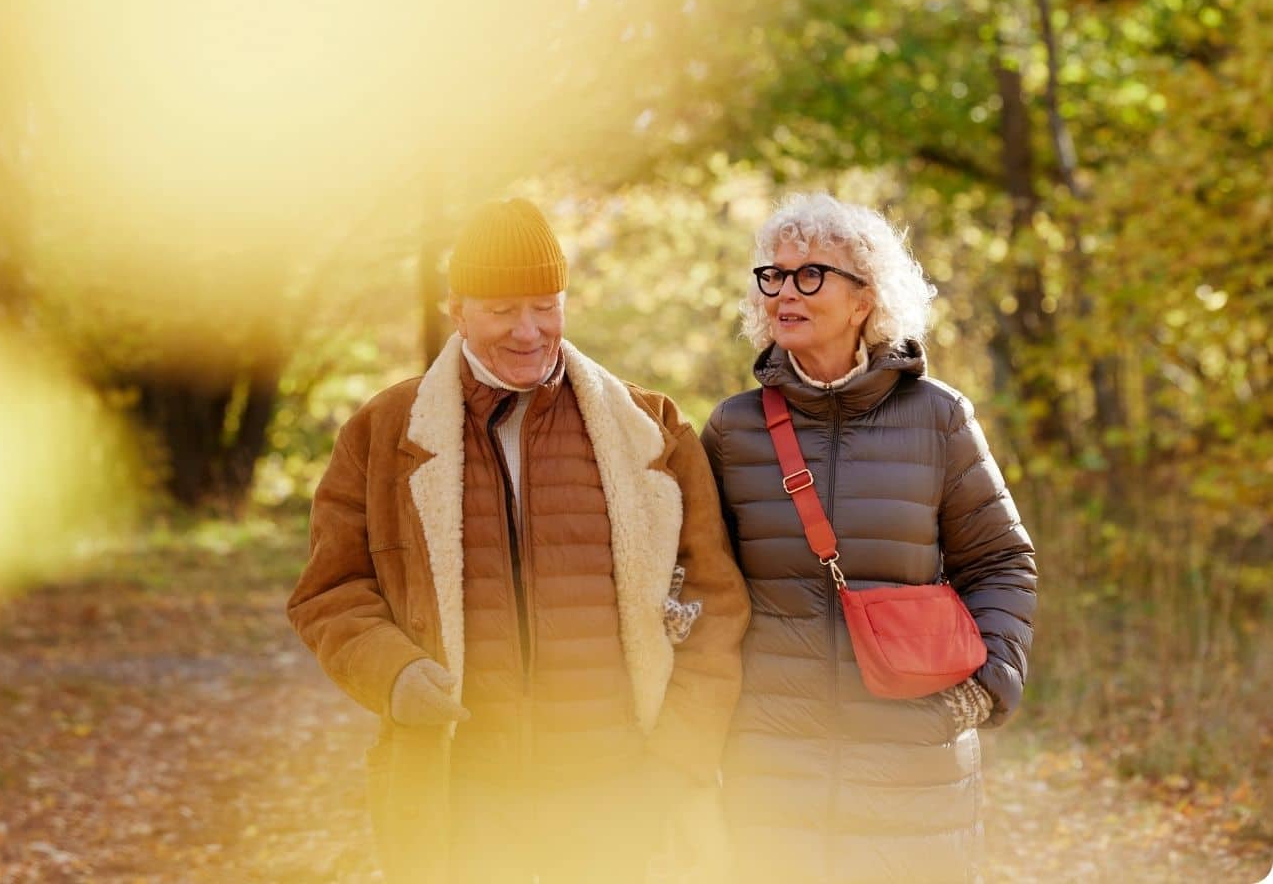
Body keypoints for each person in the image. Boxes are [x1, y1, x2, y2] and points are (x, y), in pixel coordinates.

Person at [288, 198, 750, 883]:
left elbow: (715, 602)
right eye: (502, 309)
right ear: (458, 309)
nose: (528, 330)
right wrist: (395, 673)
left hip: (617, 794)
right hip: (463, 795)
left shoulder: (651, 430)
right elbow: (329, 591)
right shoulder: (383, 432)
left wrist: (674, 763)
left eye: (545, 305)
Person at [701, 192, 1037, 882]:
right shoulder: (733, 430)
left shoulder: (938, 417)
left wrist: (984, 687)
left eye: (810, 275)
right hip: (772, 761)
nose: (784, 292)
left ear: (865, 299)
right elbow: (700, 573)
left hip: (911, 759)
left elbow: (1001, 559)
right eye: (774, 274)